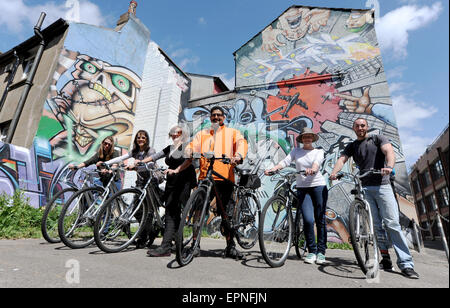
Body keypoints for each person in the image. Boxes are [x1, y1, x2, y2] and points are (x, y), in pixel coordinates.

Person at [329, 118, 419, 279]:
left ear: (367, 127)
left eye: (363, 125)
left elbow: (388, 151)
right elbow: (342, 159)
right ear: (354, 128)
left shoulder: (377, 138)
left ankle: (406, 264)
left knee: (391, 223)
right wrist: (334, 173)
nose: (360, 128)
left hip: (382, 185)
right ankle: (385, 258)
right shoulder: (352, 146)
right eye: (357, 126)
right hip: (365, 188)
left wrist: (389, 167)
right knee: (376, 226)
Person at [167, 106, 248, 259]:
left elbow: (241, 143)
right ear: (210, 118)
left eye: (219, 115)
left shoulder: (232, 133)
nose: (216, 117)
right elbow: (192, 145)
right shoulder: (202, 134)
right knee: (198, 211)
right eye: (213, 115)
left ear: (223, 118)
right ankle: (195, 244)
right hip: (205, 177)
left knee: (226, 215)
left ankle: (230, 246)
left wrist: (237, 155)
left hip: (224, 178)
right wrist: (189, 151)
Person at [265, 127, 328, 265]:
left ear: (312, 138)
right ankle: (312, 251)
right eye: (305, 137)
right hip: (303, 188)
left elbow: (317, 163)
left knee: (320, 219)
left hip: (318, 187)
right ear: (301, 139)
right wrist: (273, 169)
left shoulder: (318, 151)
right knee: (308, 220)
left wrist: (313, 169)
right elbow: (285, 162)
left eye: (309, 136)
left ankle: (321, 252)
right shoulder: (296, 151)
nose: (307, 139)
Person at [140, 125, 197, 257]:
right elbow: (155, 156)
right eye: (171, 133)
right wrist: (139, 163)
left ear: (182, 134)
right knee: (172, 212)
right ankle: (173, 246)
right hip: (172, 180)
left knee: (174, 212)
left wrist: (176, 170)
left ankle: (170, 246)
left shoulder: (189, 145)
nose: (173, 135)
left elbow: (189, 160)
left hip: (184, 180)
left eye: (176, 133)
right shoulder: (170, 148)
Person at [105, 130, 157, 249]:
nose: (140, 139)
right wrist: (106, 163)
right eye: (138, 137)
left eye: (143, 137)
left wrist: (137, 165)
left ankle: (143, 238)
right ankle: (150, 231)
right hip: (139, 183)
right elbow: (122, 158)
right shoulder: (135, 151)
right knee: (137, 211)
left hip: (150, 183)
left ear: (146, 139)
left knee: (148, 212)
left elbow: (150, 164)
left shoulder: (150, 151)